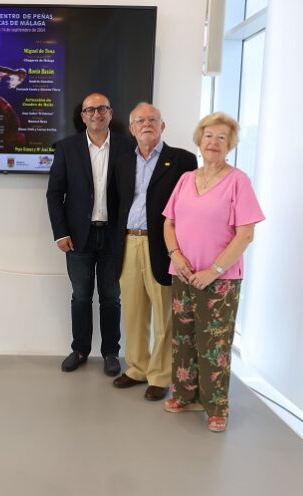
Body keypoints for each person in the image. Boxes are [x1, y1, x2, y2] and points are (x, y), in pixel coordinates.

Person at [162, 112, 264, 432]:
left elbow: (246, 234)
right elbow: (169, 223)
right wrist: (175, 255)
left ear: (230, 144)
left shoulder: (238, 181)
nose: (214, 143)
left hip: (220, 280)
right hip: (183, 273)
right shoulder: (185, 179)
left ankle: (216, 407)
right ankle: (183, 393)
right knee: (183, 339)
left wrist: (214, 270)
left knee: (214, 345)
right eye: (209, 136)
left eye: (222, 138)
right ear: (200, 140)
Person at [111, 103, 197, 401]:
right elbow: (117, 205)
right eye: (139, 120)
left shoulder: (183, 159)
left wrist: (181, 249)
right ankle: (137, 368)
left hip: (163, 245)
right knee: (133, 312)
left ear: (163, 126)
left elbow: (190, 207)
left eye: (152, 119)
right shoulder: (123, 161)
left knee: (164, 314)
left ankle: (160, 375)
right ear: (132, 129)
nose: (146, 124)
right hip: (129, 243)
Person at [46, 93, 133, 376]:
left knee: (111, 297)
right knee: (81, 296)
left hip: (114, 237)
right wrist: (60, 233)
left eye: (102, 109)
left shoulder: (127, 146)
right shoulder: (67, 148)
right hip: (78, 236)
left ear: (110, 113)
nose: (97, 114)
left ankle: (111, 353)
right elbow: (54, 193)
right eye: (90, 110)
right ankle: (80, 349)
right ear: (82, 116)